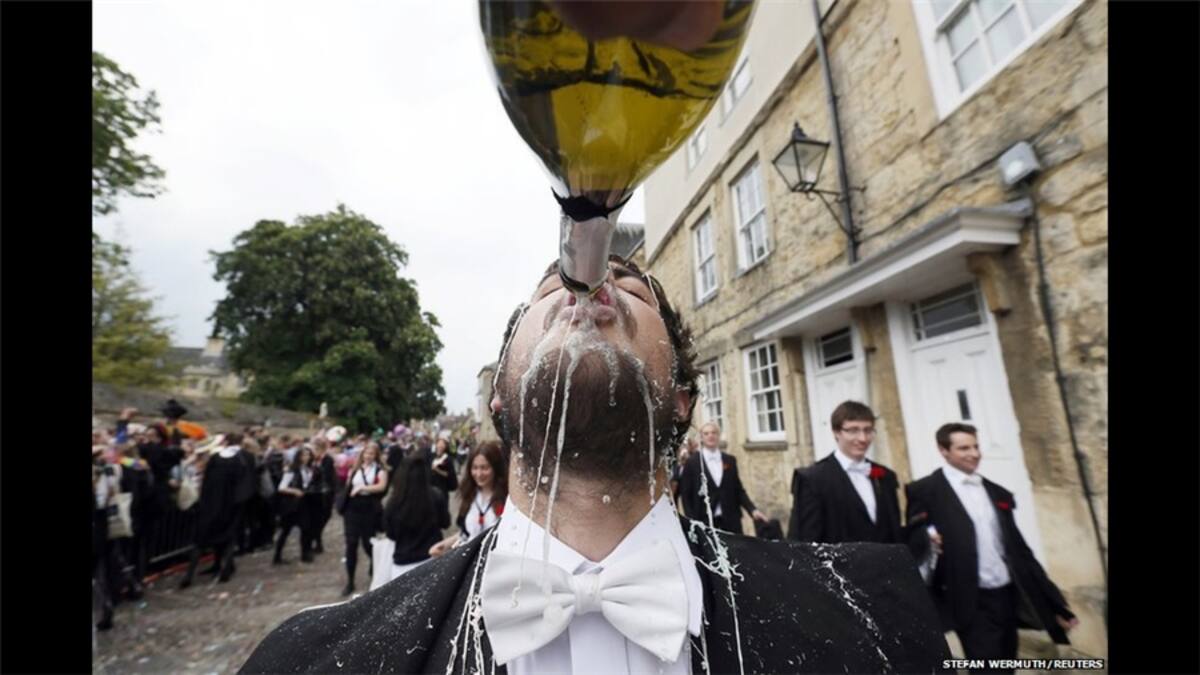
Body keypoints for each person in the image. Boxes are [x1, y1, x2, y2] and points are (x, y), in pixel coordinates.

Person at [242, 256, 947, 673]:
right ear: (498, 394)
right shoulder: (309, 657)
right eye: (554, 289)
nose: (590, 289)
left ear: (681, 400)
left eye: (633, 292)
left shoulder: (876, 615)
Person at [906, 423, 1079, 670]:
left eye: (976, 447)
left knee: (1007, 663)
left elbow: (1020, 551)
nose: (974, 454)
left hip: (1006, 595)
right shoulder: (924, 491)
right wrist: (928, 538)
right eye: (964, 448)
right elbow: (912, 538)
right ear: (943, 450)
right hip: (968, 600)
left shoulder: (997, 492)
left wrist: (1054, 603)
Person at [789, 401, 904, 545]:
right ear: (836, 432)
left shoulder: (885, 475)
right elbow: (805, 541)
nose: (862, 438)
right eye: (853, 430)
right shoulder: (812, 479)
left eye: (868, 430)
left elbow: (894, 532)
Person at [180, 433, 250, 588]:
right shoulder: (240, 460)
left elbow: (206, 482)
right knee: (228, 538)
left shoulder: (215, 459)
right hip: (230, 505)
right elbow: (244, 484)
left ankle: (189, 574)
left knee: (200, 540)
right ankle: (225, 570)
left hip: (211, 505)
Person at [678, 421, 766, 533]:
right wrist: (692, 522)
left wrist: (752, 510)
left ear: (718, 436)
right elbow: (686, 496)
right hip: (704, 522)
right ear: (701, 438)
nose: (710, 436)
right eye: (706, 433)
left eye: (714, 433)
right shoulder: (692, 462)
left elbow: (738, 490)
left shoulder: (730, 460)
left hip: (731, 521)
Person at [429, 441, 508, 557]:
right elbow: (466, 533)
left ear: (495, 468)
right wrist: (445, 544)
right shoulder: (470, 495)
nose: (479, 474)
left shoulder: (507, 500)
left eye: (484, 468)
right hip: (470, 559)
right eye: (475, 468)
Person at [383, 455, 449, 583]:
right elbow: (445, 523)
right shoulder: (436, 496)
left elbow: (390, 534)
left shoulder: (394, 502)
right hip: (432, 557)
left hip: (403, 563)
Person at [340, 440, 388, 596]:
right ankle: (350, 581)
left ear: (376, 455)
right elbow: (348, 486)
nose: (368, 456)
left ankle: (375, 567)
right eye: (366, 453)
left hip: (369, 508)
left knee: (368, 544)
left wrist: (362, 487)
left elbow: (382, 486)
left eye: (371, 454)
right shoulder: (354, 469)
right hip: (352, 509)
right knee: (351, 544)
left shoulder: (380, 470)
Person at [274, 445, 322, 565]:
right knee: (286, 530)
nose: (306, 457)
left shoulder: (309, 469)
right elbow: (282, 487)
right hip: (292, 504)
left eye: (308, 455)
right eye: (303, 455)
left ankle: (305, 553)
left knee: (306, 528)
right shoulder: (292, 470)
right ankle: (277, 556)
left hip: (304, 503)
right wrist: (295, 491)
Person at [312, 437, 338, 554]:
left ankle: (316, 537)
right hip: (316, 493)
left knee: (325, 516)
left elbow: (328, 476)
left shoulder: (327, 460)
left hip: (327, 493)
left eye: (315, 448)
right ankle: (318, 542)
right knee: (317, 518)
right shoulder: (313, 459)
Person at [429, 436, 458, 522]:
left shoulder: (447, 459)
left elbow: (449, 475)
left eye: (442, 445)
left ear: (445, 447)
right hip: (431, 486)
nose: (440, 446)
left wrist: (437, 470)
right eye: (439, 444)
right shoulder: (432, 456)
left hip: (442, 488)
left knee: (441, 506)